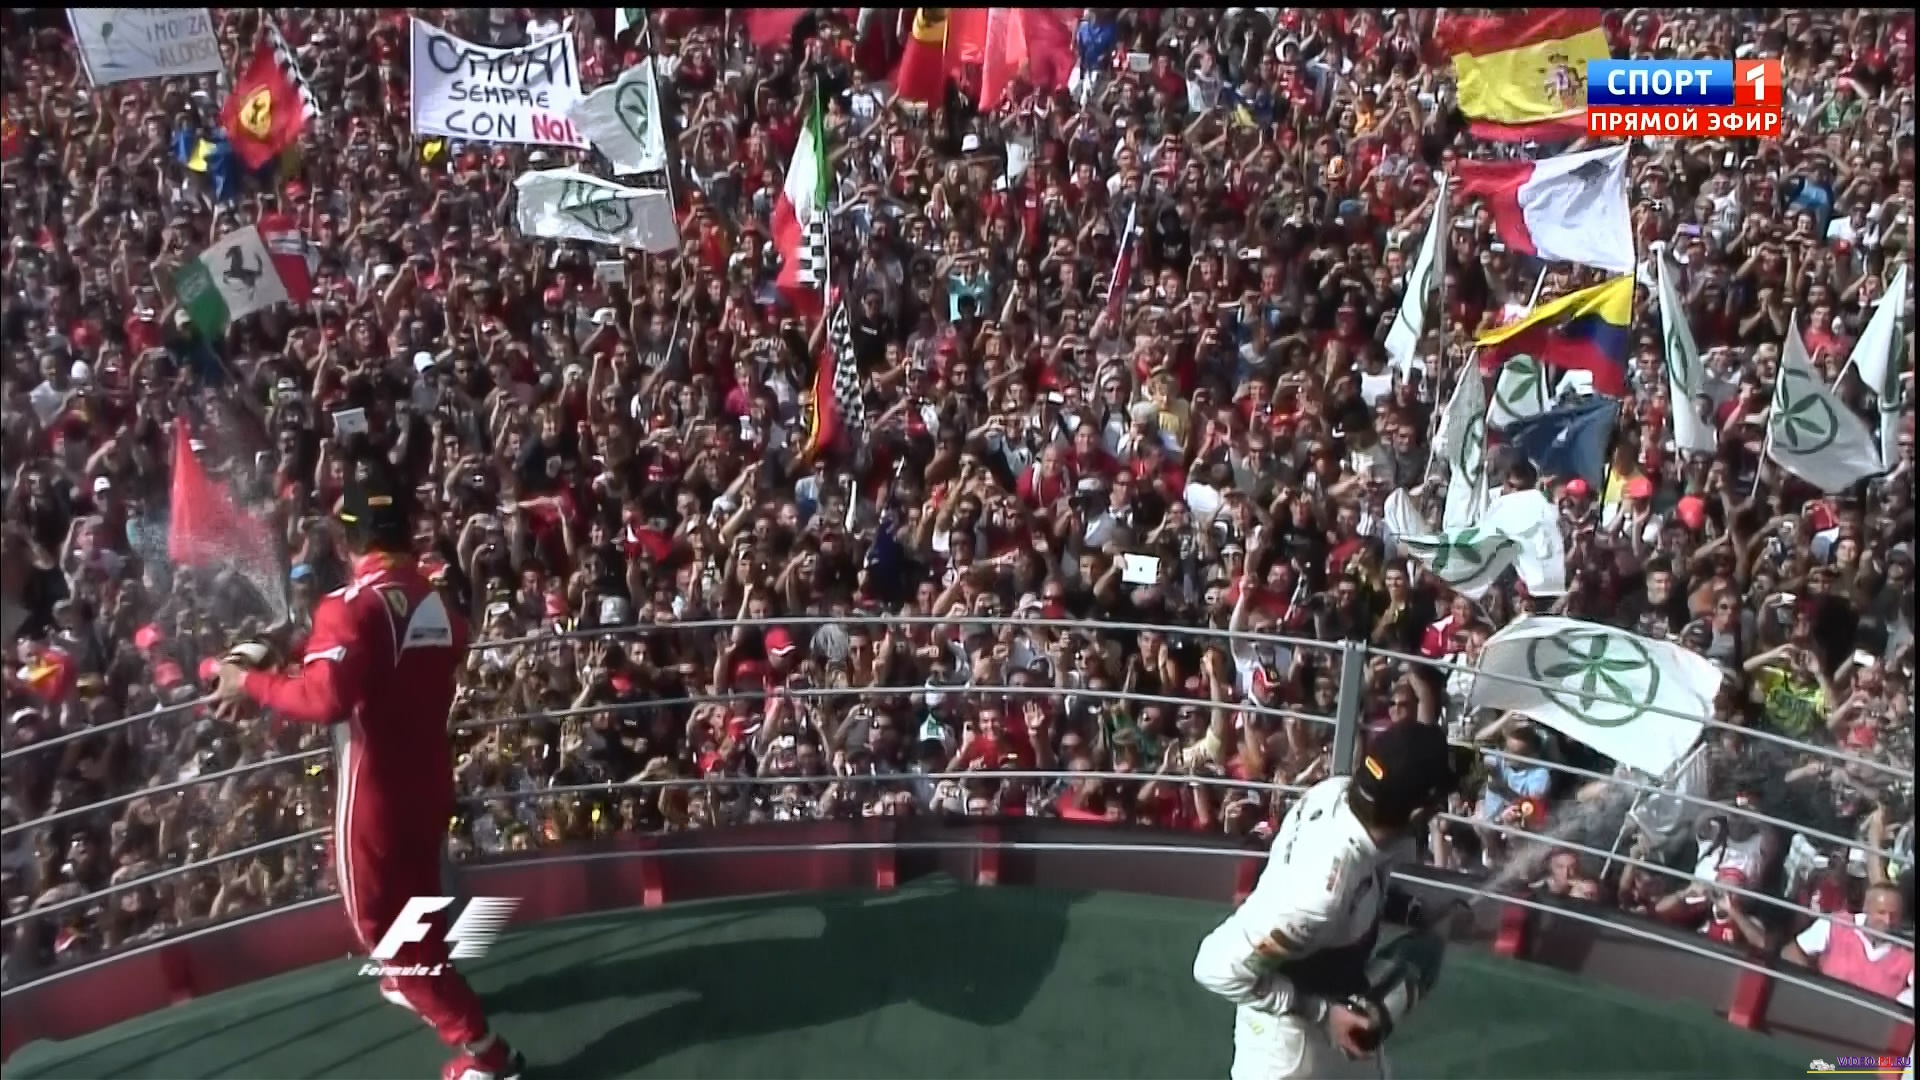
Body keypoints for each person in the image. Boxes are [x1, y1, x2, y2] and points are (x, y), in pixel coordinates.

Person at [211, 443, 523, 1080]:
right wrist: (304, 652)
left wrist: (252, 682)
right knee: (419, 908)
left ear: (344, 539)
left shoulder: (347, 608)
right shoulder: (434, 602)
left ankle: (488, 1056)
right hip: (428, 782)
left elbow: (326, 700)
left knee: (381, 932)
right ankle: (427, 985)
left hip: (374, 797)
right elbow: (403, 654)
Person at [1191, 722, 1464, 1080]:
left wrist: (1418, 912)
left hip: (1339, 1014)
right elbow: (1215, 968)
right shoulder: (1318, 901)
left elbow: (1363, 888)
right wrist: (1322, 1012)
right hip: (1290, 1054)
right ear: (1419, 815)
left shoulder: (1337, 792)